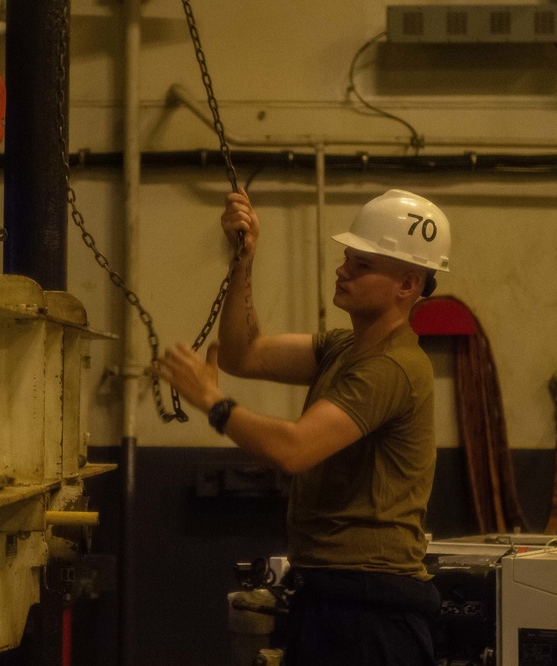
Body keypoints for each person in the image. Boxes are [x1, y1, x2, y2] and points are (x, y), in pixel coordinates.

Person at [157, 187, 451, 665]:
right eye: (347, 258)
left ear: (408, 285)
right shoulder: (344, 349)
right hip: (334, 597)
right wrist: (244, 257)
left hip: (372, 614)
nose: (343, 270)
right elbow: (242, 353)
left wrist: (212, 403)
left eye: (362, 265)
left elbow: (295, 450)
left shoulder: (392, 368)